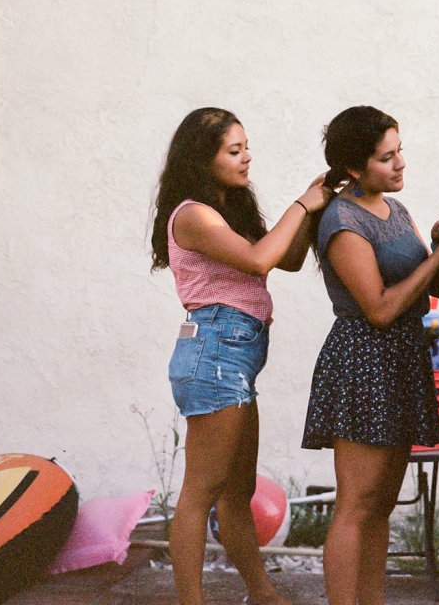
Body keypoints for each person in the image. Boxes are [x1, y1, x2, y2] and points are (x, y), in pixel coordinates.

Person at [151, 107, 331, 605]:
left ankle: (263, 593)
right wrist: (301, 202)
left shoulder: (228, 209)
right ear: (201, 158)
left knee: (237, 490)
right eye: (234, 150)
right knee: (201, 492)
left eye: (246, 146)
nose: (247, 157)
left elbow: (286, 258)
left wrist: (317, 207)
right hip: (213, 355)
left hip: (235, 358)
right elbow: (258, 259)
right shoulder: (193, 215)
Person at [301, 105, 439, 605]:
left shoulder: (395, 211)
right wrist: (437, 255)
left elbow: (433, 286)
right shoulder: (343, 220)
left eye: (400, 153)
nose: (399, 165)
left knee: (381, 506)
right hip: (363, 362)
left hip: (403, 358)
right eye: (385, 158)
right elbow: (377, 308)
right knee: (356, 504)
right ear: (354, 168)